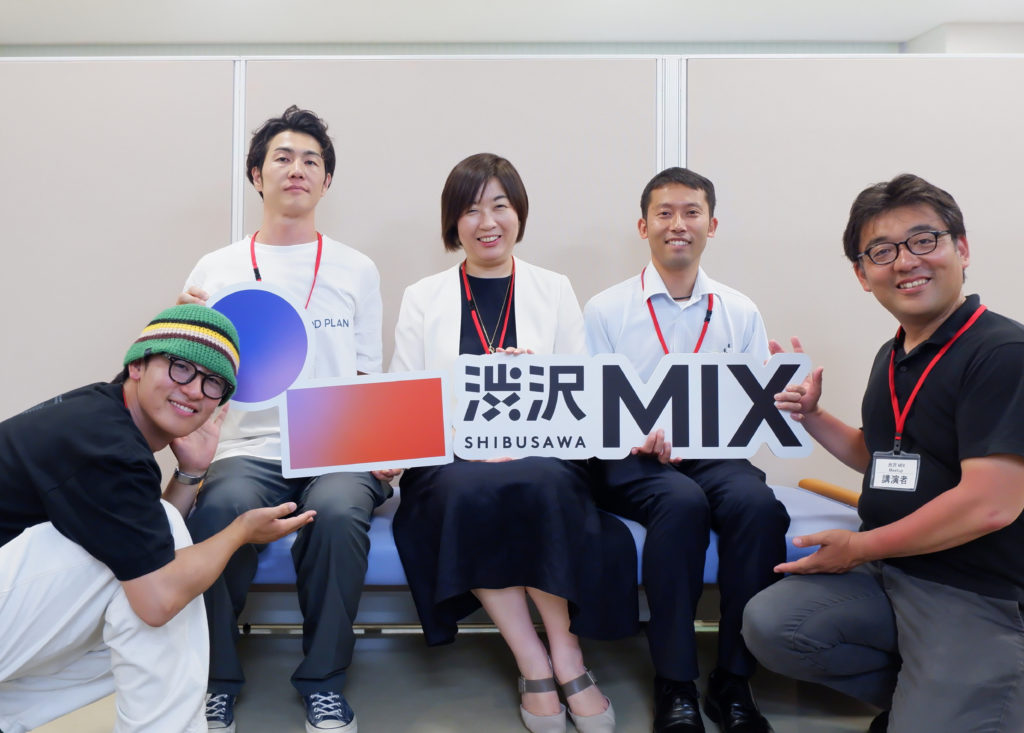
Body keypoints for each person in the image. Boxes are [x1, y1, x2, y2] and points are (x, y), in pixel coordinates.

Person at [741, 174, 1024, 733]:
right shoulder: (893, 353)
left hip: (974, 589)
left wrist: (858, 547)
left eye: (924, 240)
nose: (906, 261)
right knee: (774, 625)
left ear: (962, 249)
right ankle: (931, 697)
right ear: (862, 274)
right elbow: (883, 458)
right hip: (891, 571)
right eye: (882, 251)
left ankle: (987, 693)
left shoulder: (1001, 353)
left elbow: (991, 504)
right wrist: (812, 416)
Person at [390, 153, 637, 733]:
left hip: (542, 449)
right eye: (471, 210)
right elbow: (407, 394)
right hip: (451, 458)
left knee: (540, 480)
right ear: (454, 222)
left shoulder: (554, 288)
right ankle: (532, 661)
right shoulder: (424, 295)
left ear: (519, 213)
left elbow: (581, 392)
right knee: (469, 489)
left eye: (499, 206)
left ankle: (567, 652)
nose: (487, 222)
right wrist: (461, 439)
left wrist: (535, 384)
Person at [0, 304, 314, 733]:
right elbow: (157, 600)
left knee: (140, 575)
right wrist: (240, 532)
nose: (194, 390)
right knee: (162, 579)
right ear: (137, 365)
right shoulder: (106, 445)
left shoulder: (99, 414)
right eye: (181, 367)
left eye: (213, 383)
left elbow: (141, 542)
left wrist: (191, 473)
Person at [178, 105, 392, 733]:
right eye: (283, 157)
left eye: (311, 161)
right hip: (247, 447)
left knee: (341, 512)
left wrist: (386, 447)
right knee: (220, 510)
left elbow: (367, 374)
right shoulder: (215, 268)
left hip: (339, 448)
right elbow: (188, 369)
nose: (297, 169)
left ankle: (323, 682)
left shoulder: (357, 269)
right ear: (257, 175)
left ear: (326, 182)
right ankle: (215, 679)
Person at [584, 167, 789, 733]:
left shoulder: (738, 310)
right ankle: (675, 681)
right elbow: (591, 405)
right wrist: (635, 436)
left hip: (713, 453)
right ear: (643, 226)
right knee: (680, 504)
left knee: (758, 506)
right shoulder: (606, 309)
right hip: (629, 458)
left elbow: (749, 411)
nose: (679, 224)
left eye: (692, 212)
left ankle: (734, 679)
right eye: (665, 213)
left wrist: (780, 395)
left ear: (711, 225)